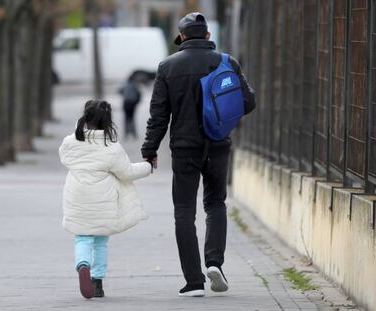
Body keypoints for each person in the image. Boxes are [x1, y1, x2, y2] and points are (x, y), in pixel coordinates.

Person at [141, 12, 256, 297]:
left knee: (184, 212)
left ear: (181, 38)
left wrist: (149, 150)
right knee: (216, 203)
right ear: (207, 36)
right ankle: (214, 262)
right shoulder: (227, 62)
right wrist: (224, 118)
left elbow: (159, 116)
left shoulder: (167, 66)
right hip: (218, 144)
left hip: (184, 148)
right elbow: (248, 101)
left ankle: (193, 281)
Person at [59, 100, 153, 299]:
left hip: (76, 196)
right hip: (102, 199)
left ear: (85, 117)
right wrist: (148, 167)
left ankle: (82, 264)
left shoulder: (71, 142)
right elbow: (127, 173)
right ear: (108, 121)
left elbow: (64, 158)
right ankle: (97, 282)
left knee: (82, 237)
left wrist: (79, 126)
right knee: (101, 239)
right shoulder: (110, 146)